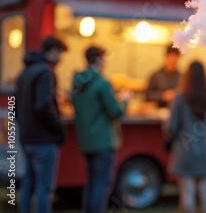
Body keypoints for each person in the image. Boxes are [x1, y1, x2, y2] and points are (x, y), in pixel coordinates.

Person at [71, 46, 131, 213]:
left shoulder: (76, 83)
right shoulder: (102, 83)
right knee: (102, 184)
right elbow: (115, 112)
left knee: (91, 182)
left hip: (85, 140)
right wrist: (125, 100)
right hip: (103, 140)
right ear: (98, 59)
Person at [16, 36, 67, 213]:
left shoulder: (25, 72)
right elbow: (43, 104)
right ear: (53, 51)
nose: (61, 58)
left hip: (27, 138)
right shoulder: (45, 72)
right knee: (44, 188)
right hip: (43, 139)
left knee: (28, 183)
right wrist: (58, 126)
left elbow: (15, 106)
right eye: (60, 53)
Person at [166, 61, 206, 213]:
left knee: (187, 191)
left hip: (184, 150)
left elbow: (172, 127)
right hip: (205, 150)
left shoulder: (179, 98)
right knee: (205, 191)